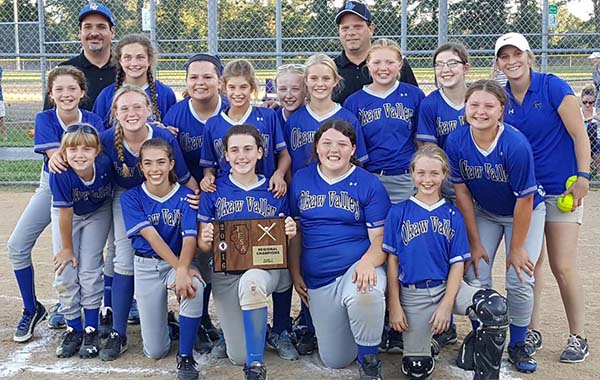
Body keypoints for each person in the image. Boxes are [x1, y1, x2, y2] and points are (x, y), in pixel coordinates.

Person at [495, 32, 591, 363]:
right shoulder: (502, 99)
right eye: (504, 57)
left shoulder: (552, 86)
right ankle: (531, 329)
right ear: (498, 63)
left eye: (516, 54)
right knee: (529, 264)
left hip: (561, 188)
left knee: (562, 265)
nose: (511, 61)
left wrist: (584, 176)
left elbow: (580, 133)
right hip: (527, 194)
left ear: (529, 56)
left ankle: (578, 335)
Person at [384, 145, 510, 380]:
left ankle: (480, 364)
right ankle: (424, 345)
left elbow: (456, 266)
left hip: (448, 286)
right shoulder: (398, 212)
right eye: (421, 173)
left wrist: (446, 305)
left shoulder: (453, 215)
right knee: (416, 369)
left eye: (434, 173)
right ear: (411, 172)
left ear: (444, 175)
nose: (427, 179)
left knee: (493, 308)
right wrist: (395, 304)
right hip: (413, 295)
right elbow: (392, 262)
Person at [446, 80, 546, 373]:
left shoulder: (514, 144)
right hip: (485, 212)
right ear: (466, 107)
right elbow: (462, 193)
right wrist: (475, 242)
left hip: (523, 212)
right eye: (474, 105)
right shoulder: (457, 140)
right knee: (476, 273)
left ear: (501, 109)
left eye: (489, 106)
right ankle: (485, 336)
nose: (480, 111)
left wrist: (516, 249)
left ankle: (517, 343)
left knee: (519, 276)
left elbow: (525, 200)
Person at [97, 85, 196, 361]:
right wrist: (57, 153)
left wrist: (203, 202)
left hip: (161, 190)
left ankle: (192, 318)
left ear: (150, 110)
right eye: (124, 108)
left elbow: (184, 176)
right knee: (123, 258)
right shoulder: (106, 138)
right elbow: (78, 152)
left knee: (187, 247)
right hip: (126, 195)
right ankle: (118, 331)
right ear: (115, 113)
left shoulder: (163, 136)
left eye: (138, 107)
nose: (131, 113)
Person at [8, 66, 104, 343]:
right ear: (51, 95)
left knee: (97, 258)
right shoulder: (45, 118)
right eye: (59, 89)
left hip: (90, 188)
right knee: (17, 246)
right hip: (53, 185)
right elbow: (58, 161)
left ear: (82, 92)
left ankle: (103, 307)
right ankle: (31, 308)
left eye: (72, 88)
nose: (66, 94)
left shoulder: (94, 119)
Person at [289, 120, 390, 379]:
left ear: (353, 149)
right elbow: (296, 233)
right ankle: (362, 330)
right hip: (319, 278)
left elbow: (380, 238)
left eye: (342, 144)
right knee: (336, 359)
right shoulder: (302, 179)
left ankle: (369, 362)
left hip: (356, 267)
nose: (334, 150)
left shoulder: (368, 183)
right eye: (327, 143)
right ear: (317, 147)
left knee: (365, 293)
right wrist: (295, 272)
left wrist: (368, 262)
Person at [198, 124, 298, 380]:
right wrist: (205, 237)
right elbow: (203, 246)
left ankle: (255, 365)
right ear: (226, 156)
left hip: (263, 271)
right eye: (234, 150)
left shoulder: (275, 188)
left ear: (260, 153)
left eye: (248, 149)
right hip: (227, 273)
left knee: (253, 281)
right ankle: (254, 328)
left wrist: (289, 230)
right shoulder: (213, 189)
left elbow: (282, 244)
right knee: (237, 354)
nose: (241, 156)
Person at [121, 138, 203, 380]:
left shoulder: (186, 196)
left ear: (171, 164)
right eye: (148, 163)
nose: (154, 169)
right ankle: (170, 325)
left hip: (178, 261)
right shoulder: (131, 197)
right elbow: (152, 237)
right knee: (155, 351)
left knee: (193, 287)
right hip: (146, 265)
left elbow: (190, 238)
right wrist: (182, 268)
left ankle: (186, 357)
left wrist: (182, 269)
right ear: (141, 168)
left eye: (160, 162)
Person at [162, 53, 227, 354]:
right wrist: (192, 186)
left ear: (220, 81)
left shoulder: (231, 109)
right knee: (195, 254)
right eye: (194, 77)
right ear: (186, 82)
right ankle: (197, 317)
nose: (200, 82)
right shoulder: (176, 114)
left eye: (207, 76)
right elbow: (166, 160)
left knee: (216, 256)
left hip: (223, 194)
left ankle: (208, 319)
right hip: (188, 193)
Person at [49, 123, 113, 359]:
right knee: (64, 269)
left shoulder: (105, 164)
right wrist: (66, 248)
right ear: (63, 153)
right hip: (69, 216)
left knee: (89, 269)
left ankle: (91, 328)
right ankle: (73, 327)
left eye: (87, 149)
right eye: (73, 150)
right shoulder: (61, 173)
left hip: (98, 211)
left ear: (97, 151)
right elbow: (65, 213)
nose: (80, 155)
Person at [344, 38, 424, 204]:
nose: (383, 68)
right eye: (377, 62)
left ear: (400, 65)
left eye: (390, 62)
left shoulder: (414, 95)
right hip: (371, 178)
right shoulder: (354, 101)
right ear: (368, 64)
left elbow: (421, 140)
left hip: (406, 178)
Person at [200, 59, 290, 199]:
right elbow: (209, 164)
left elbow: (284, 154)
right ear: (223, 87)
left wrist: (279, 174)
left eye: (243, 87)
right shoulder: (213, 124)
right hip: (228, 193)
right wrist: (207, 176)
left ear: (252, 87)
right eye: (232, 87)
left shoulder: (268, 116)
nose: (237, 93)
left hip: (267, 190)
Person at [284, 53, 368, 175]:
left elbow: (358, 162)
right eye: (314, 78)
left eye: (326, 78)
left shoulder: (348, 118)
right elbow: (286, 162)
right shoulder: (294, 120)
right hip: (303, 190)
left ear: (335, 81)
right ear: (306, 81)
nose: (320, 84)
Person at [333, 0, 418, 104]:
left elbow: (415, 101)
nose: (351, 33)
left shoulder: (395, 65)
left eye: (357, 27)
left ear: (371, 29)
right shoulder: (331, 69)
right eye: (345, 28)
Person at [416, 41, 470, 204]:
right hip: (448, 182)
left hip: (478, 179)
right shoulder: (430, 103)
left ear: (465, 68)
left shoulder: (477, 99)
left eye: (452, 63)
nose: (445, 70)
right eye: (439, 65)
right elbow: (428, 148)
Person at [43, 2, 117, 111]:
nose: (94, 33)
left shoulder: (126, 69)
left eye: (101, 27)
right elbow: (49, 117)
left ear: (112, 32)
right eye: (87, 27)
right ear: (80, 33)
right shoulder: (65, 70)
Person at [93, 33, 176, 127]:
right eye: (127, 58)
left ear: (149, 60)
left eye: (140, 57)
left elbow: (171, 130)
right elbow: (98, 132)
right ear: (120, 61)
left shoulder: (165, 93)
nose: (134, 63)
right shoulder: (107, 95)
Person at [580, 84, 600, 174]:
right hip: (582, 138)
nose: (587, 105)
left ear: (594, 101)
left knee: (593, 131)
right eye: (585, 102)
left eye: (591, 103)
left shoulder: (597, 111)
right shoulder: (578, 112)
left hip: (596, 140)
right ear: (581, 99)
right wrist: (591, 118)